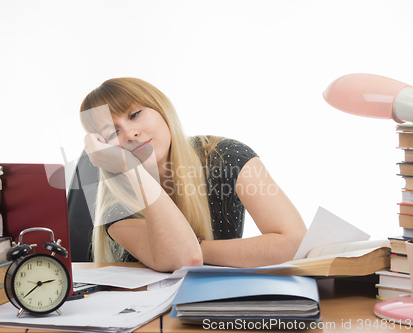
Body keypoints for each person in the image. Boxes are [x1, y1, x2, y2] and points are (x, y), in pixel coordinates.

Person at [79, 77, 306, 272]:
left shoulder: (226, 156)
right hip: (153, 316)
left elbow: (295, 244)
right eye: (112, 133)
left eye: (135, 114)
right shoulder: (115, 200)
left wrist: (198, 246)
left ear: (161, 108)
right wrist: (131, 169)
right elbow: (183, 258)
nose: (130, 133)